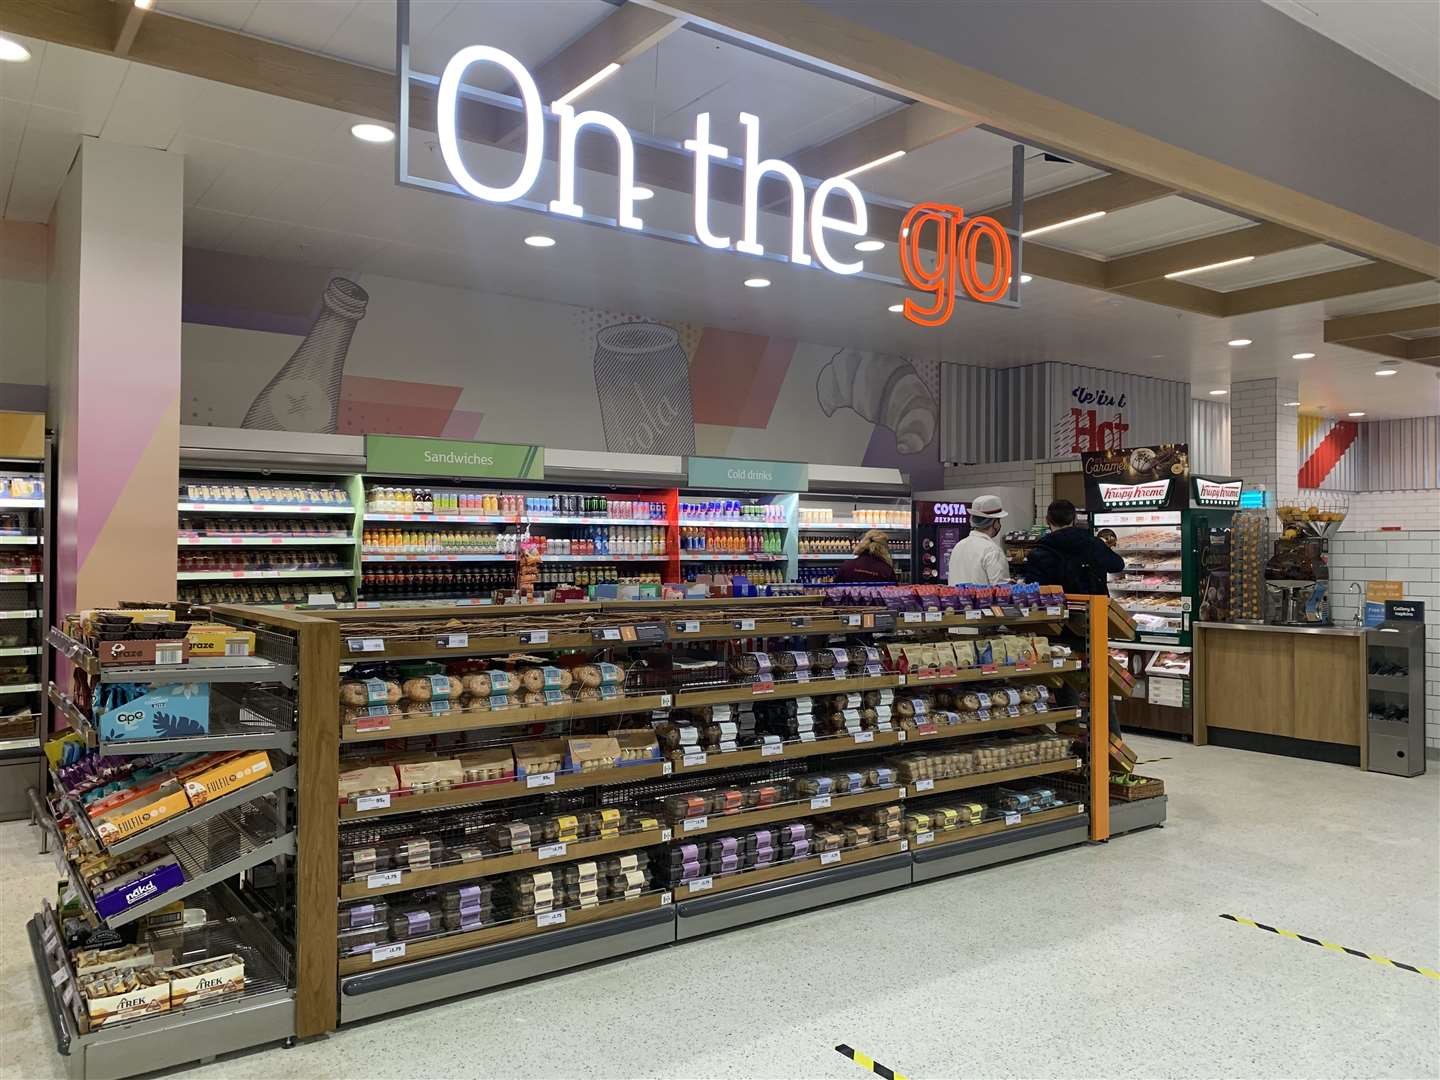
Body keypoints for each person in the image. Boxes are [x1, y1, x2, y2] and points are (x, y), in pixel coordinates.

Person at [1024, 498, 1125, 595]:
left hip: (1057, 609)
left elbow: (1034, 588)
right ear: (1075, 519)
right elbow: (1117, 565)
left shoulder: (1038, 552)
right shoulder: (1093, 544)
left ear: (1047, 520)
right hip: (1094, 607)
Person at [947, 494, 1009, 585]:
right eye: (998, 520)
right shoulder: (992, 550)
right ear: (994, 522)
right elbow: (1002, 590)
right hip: (983, 599)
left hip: (957, 599)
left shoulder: (958, 546)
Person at [834, 529, 898, 583]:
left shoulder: (847, 565)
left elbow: (834, 590)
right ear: (884, 548)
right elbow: (893, 594)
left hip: (850, 598)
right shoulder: (886, 570)